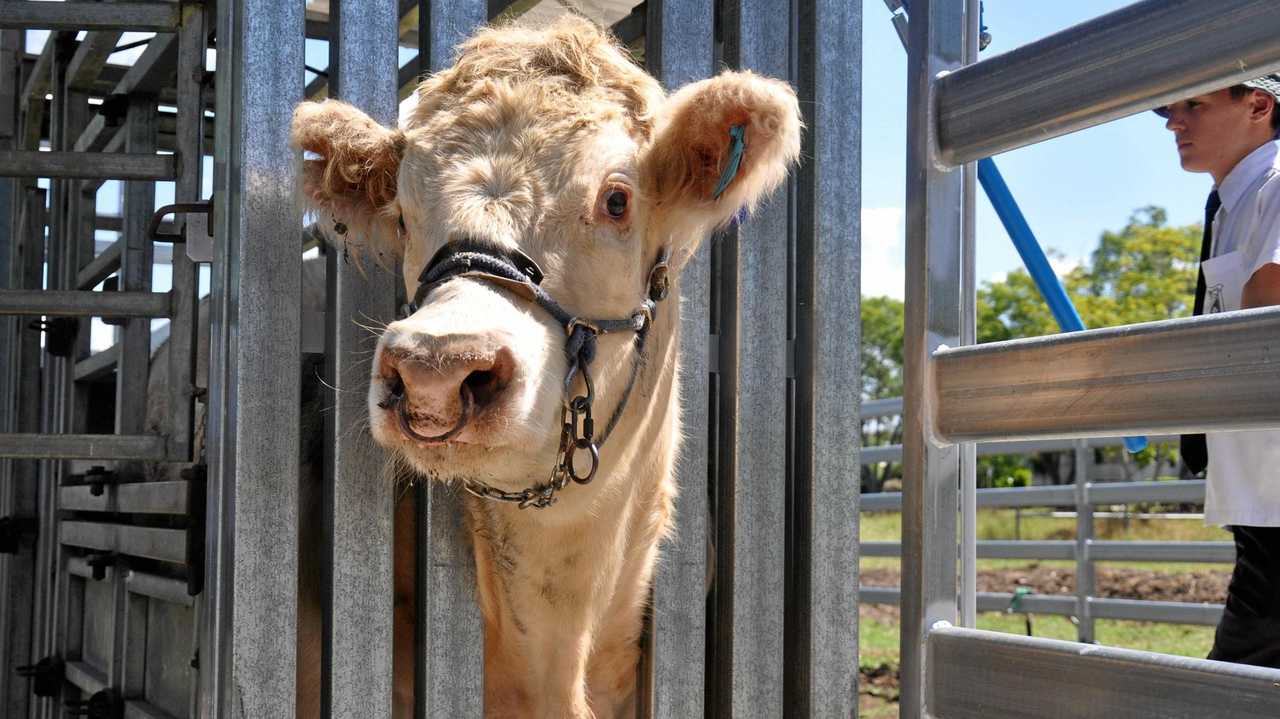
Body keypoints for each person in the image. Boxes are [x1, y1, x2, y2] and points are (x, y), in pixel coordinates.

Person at [1155, 75, 1280, 668]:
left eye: (1193, 105)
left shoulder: (1276, 186)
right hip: (1263, 500)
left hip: (1277, 495)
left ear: (1259, 102)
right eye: (1170, 110)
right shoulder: (1237, 199)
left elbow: (1270, 304)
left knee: (1234, 687)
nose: (1174, 122)